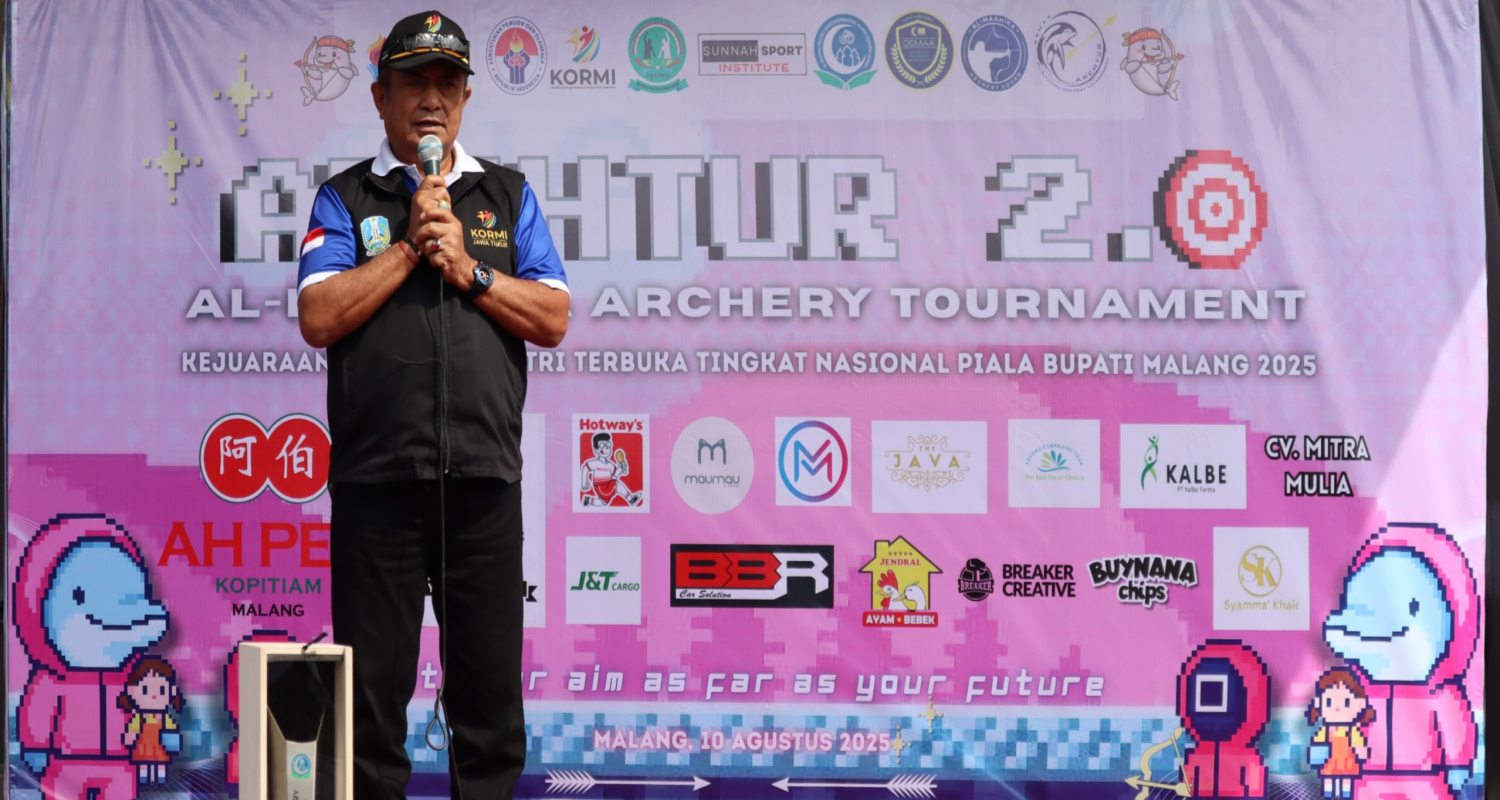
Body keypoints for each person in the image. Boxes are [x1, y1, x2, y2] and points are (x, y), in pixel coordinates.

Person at [296, 10, 569, 799]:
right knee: (368, 711)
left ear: (466, 99)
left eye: (447, 83)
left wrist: (470, 270)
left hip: (484, 485)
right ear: (380, 97)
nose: (431, 100)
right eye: (413, 82)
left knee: (490, 711)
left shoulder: (504, 195)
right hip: (377, 484)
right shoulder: (345, 198)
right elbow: (318, 315)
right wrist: (410, 246)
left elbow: (553, 316)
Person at [1306, 667, 1374, 799]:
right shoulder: (1325, 730)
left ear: (1360, 704)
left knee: (1346, 781)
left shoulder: (1352, 730)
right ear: (1318, 703)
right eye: (1329, 702)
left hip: (1347, 761)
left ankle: (1345, 795)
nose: (1337, 708)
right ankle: (1328, 795)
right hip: (1329, 761)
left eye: (1346, 702)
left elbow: (1358, 744)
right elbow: (1318, 743)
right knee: (1328, 780)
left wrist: (1361, 751)